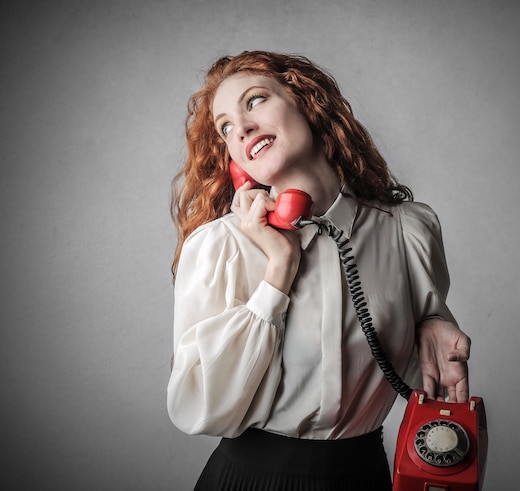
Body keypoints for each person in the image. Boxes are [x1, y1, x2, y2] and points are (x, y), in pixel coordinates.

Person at [167, 50, 472, 491]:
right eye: (226, 128)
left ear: (308, 104)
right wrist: (280, 269)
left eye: (254, 101)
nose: (242, 128)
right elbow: (201, 408)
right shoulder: (222, 247)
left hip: (363, 477)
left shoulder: (407, 231)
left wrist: (433, 320)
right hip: (251, 480)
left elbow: (409, 367)